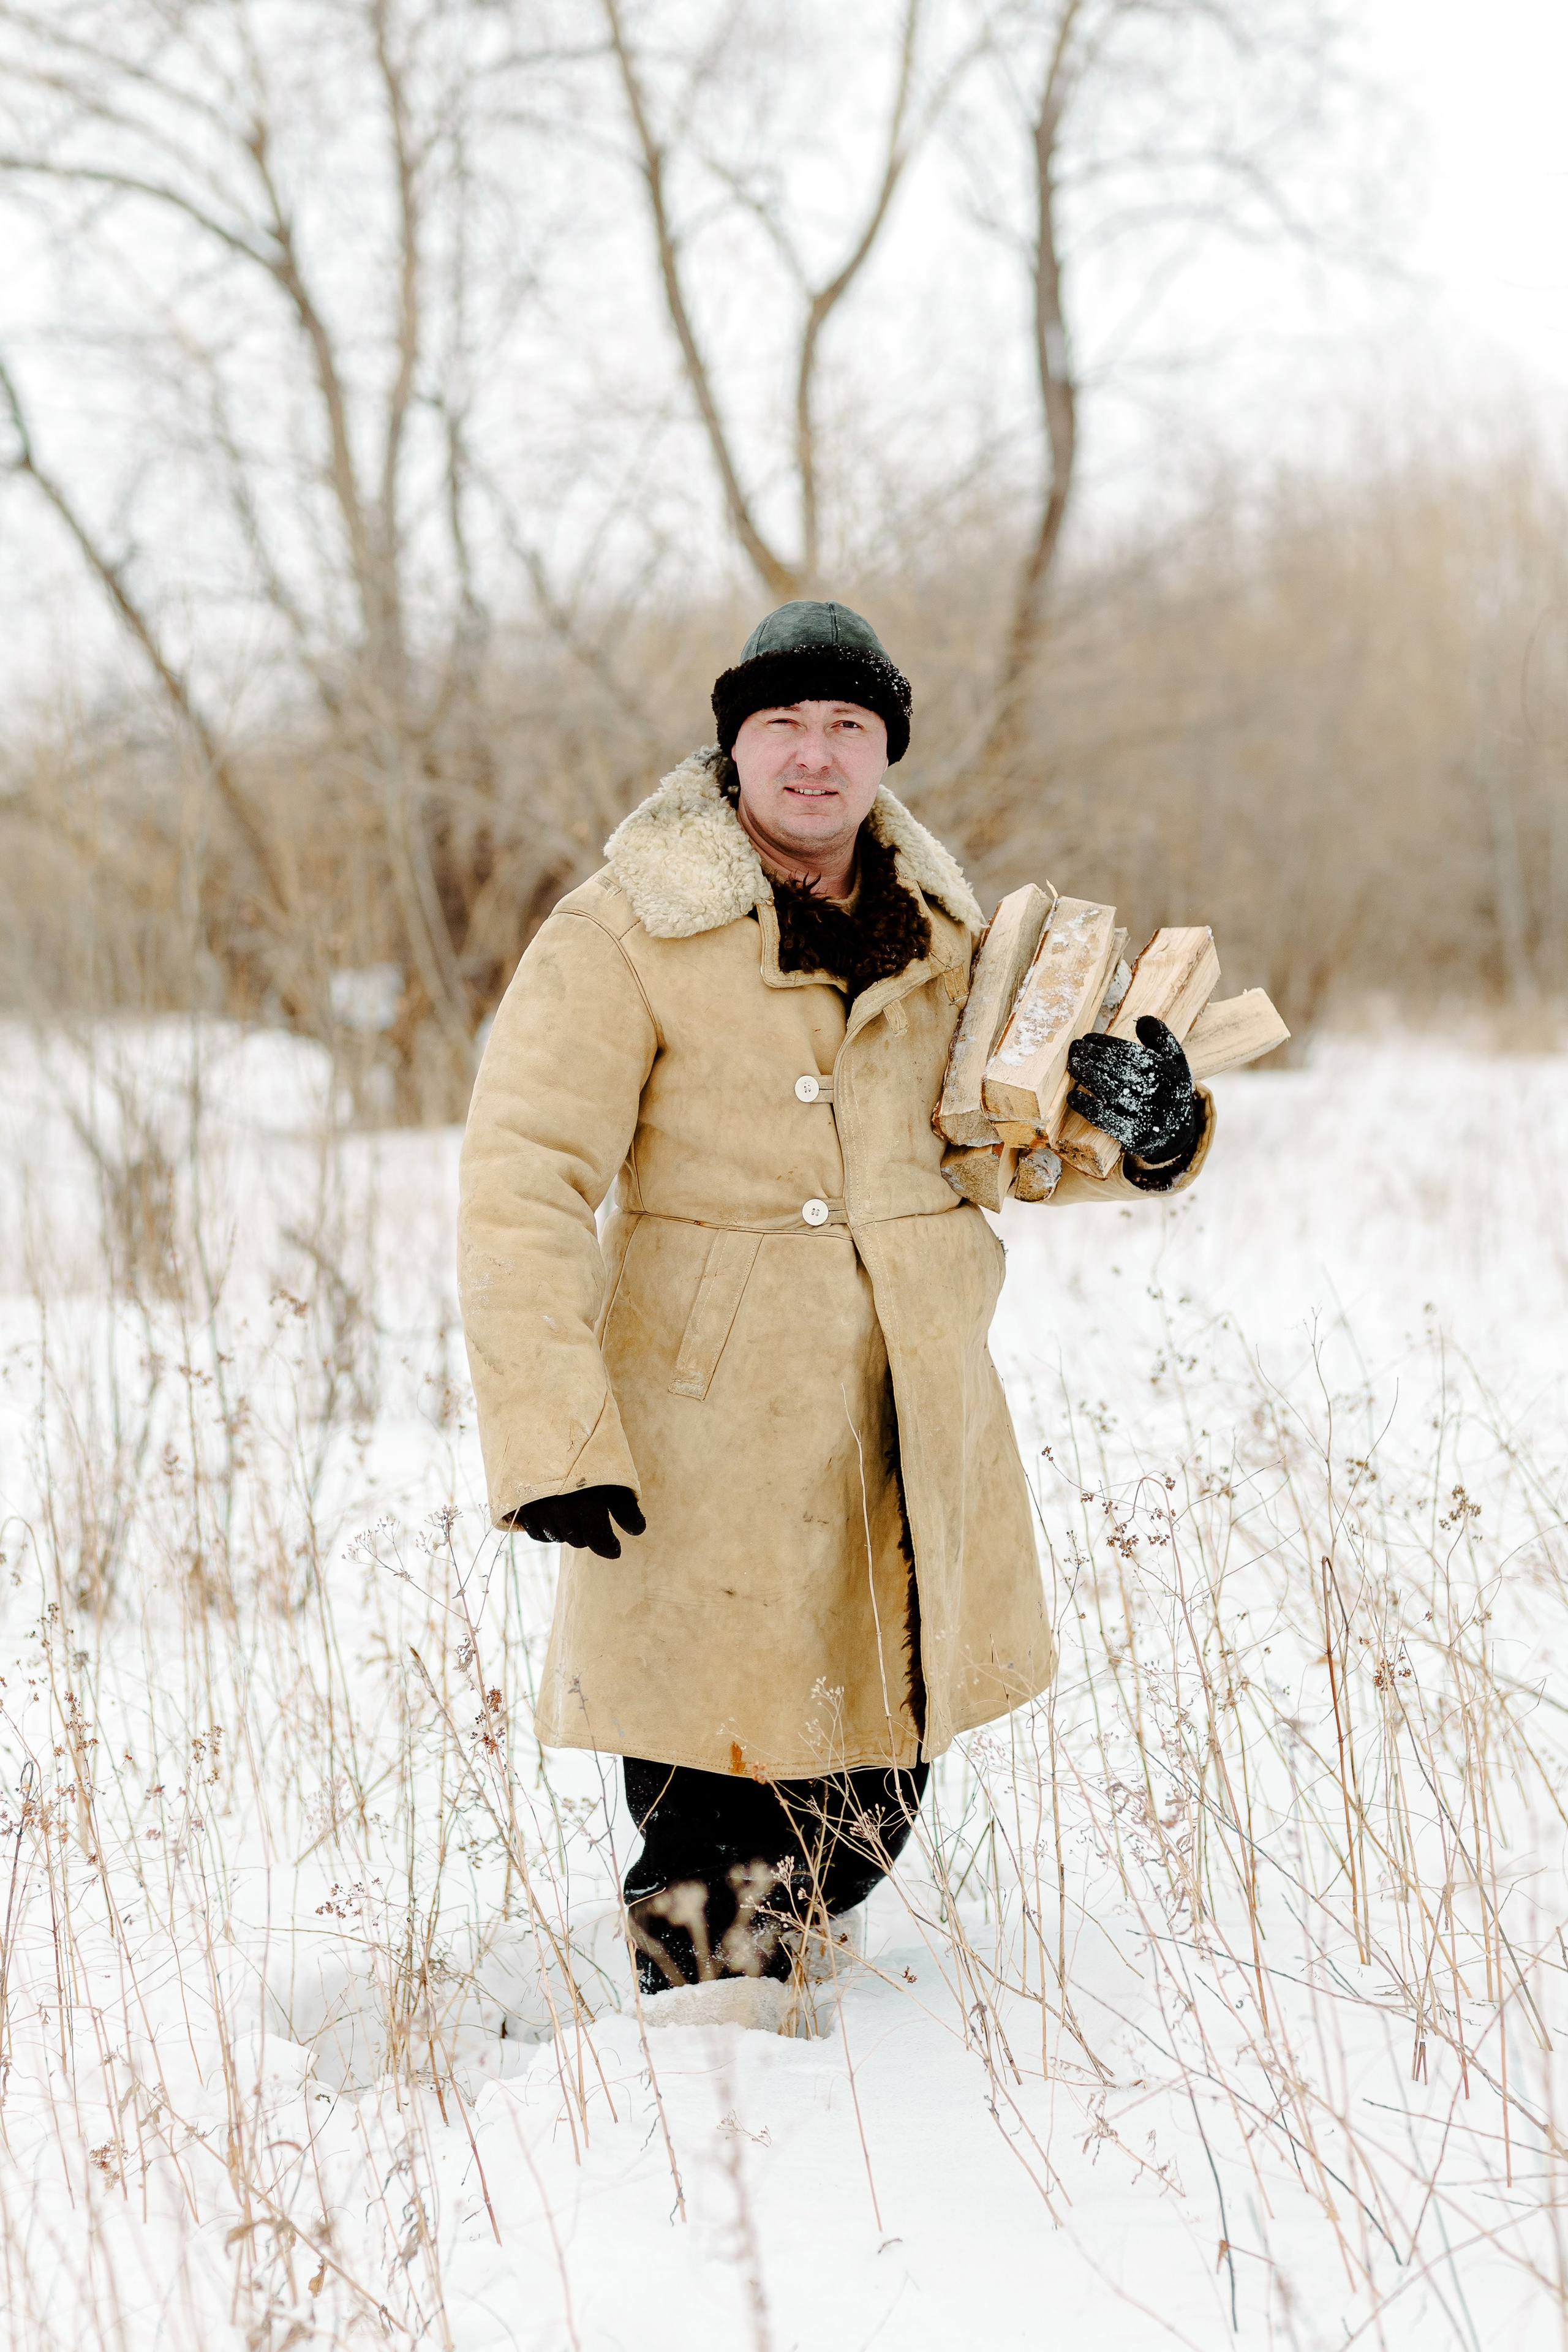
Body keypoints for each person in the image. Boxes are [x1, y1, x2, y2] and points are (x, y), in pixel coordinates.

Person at [458, 600, 1212, 2010]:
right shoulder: (622, 928)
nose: (813, 757)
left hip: (904, 1423)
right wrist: (551, 1432)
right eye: (781, 727)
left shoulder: (945, 928)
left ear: (883, 751)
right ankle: (711, 2090)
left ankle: (793, 1980)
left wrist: (1143, 1128)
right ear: (732, 745)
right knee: (713, 1795)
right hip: (709, 1435)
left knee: (876, 1781)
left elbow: (1005, 1143)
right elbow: (523, 1182)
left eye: (846, 727)